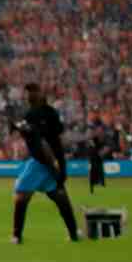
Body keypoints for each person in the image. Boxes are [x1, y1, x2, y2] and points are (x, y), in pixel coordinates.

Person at [10, 83, 80, 243]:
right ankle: (74, 234)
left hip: (41, 163)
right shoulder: (48, 113)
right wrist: (60, 166)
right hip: (48, 161)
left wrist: (56, 166)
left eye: (31, 92)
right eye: (27, 92)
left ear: (39, 94)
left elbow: (42, 143)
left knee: (21, 197)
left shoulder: (34, 114)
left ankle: (16, 236)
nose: (28, 95)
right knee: (60, 198)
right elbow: (56, 138)